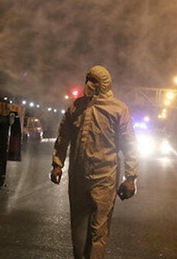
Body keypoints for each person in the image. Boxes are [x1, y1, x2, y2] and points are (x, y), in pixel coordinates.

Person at [50, 65, 139, 259]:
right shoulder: (76, 106)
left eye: (94, 80)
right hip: (78, 177)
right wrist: (57, 164)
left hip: (104, 179)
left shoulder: (118, 109)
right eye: (87, 78)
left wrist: (131, 177)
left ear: (104, 84)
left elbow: (129, 144)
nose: (89, 83)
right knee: (78, 228)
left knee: (98, 230)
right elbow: (63, 136)